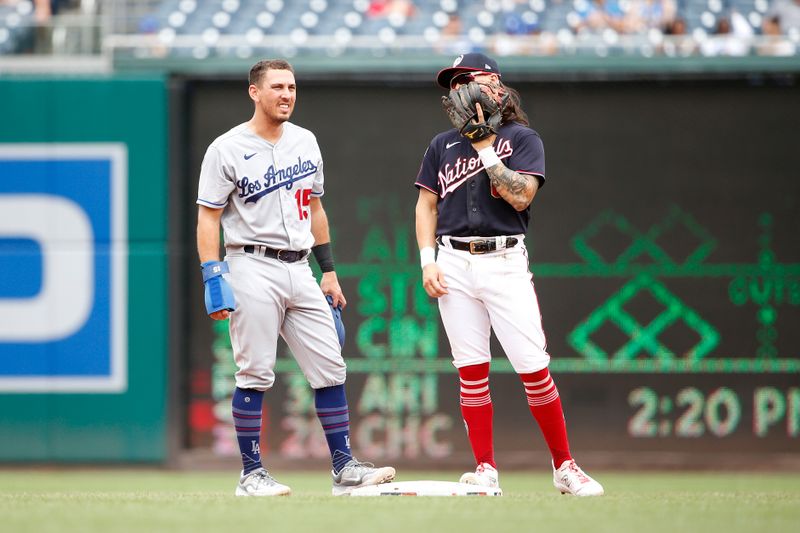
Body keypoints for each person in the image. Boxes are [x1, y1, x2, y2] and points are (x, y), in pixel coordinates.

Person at [196, 59, 395, 497]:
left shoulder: (305, 141)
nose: (287, 94)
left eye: (292, 87)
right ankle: (251, 475)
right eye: (277, 87)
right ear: (255, 92)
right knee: (255, 372)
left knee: (330, 366)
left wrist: (330, 272)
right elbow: (208, 217)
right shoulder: (226, 148)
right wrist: (213, 274)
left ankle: (344, 469)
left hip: (300, 265)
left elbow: (316, 209)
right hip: (250, 263)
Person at [414, 53, 604, 497]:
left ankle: (564, 466)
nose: (461, 88)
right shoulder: (442, 144)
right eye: (454, 83)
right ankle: (485, 469)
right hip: (453, 260)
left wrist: (484, 146)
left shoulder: (522, 138)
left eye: (469, 79)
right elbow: (426, 204)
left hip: (504, 260)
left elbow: (520, 197)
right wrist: (427, 260)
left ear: (494, 85)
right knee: (471, 370)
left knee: (533, 367)